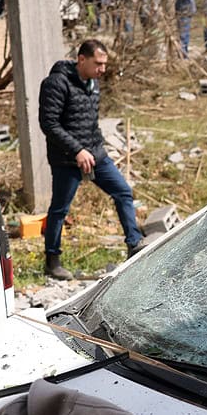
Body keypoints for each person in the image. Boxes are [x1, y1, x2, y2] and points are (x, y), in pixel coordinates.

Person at [38, 40, 145, 280]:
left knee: (123, 191)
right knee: (60, 210)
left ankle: (134, 244)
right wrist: (77, 151)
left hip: (95, 154)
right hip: (66, 159)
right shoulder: (56, 83)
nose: (102, 69)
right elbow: (49, 124)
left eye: (104, 64)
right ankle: (52, 262)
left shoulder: (93, 83)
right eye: (98, 63)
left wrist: (98, 148)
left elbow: (90, 122)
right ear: (82, 59)